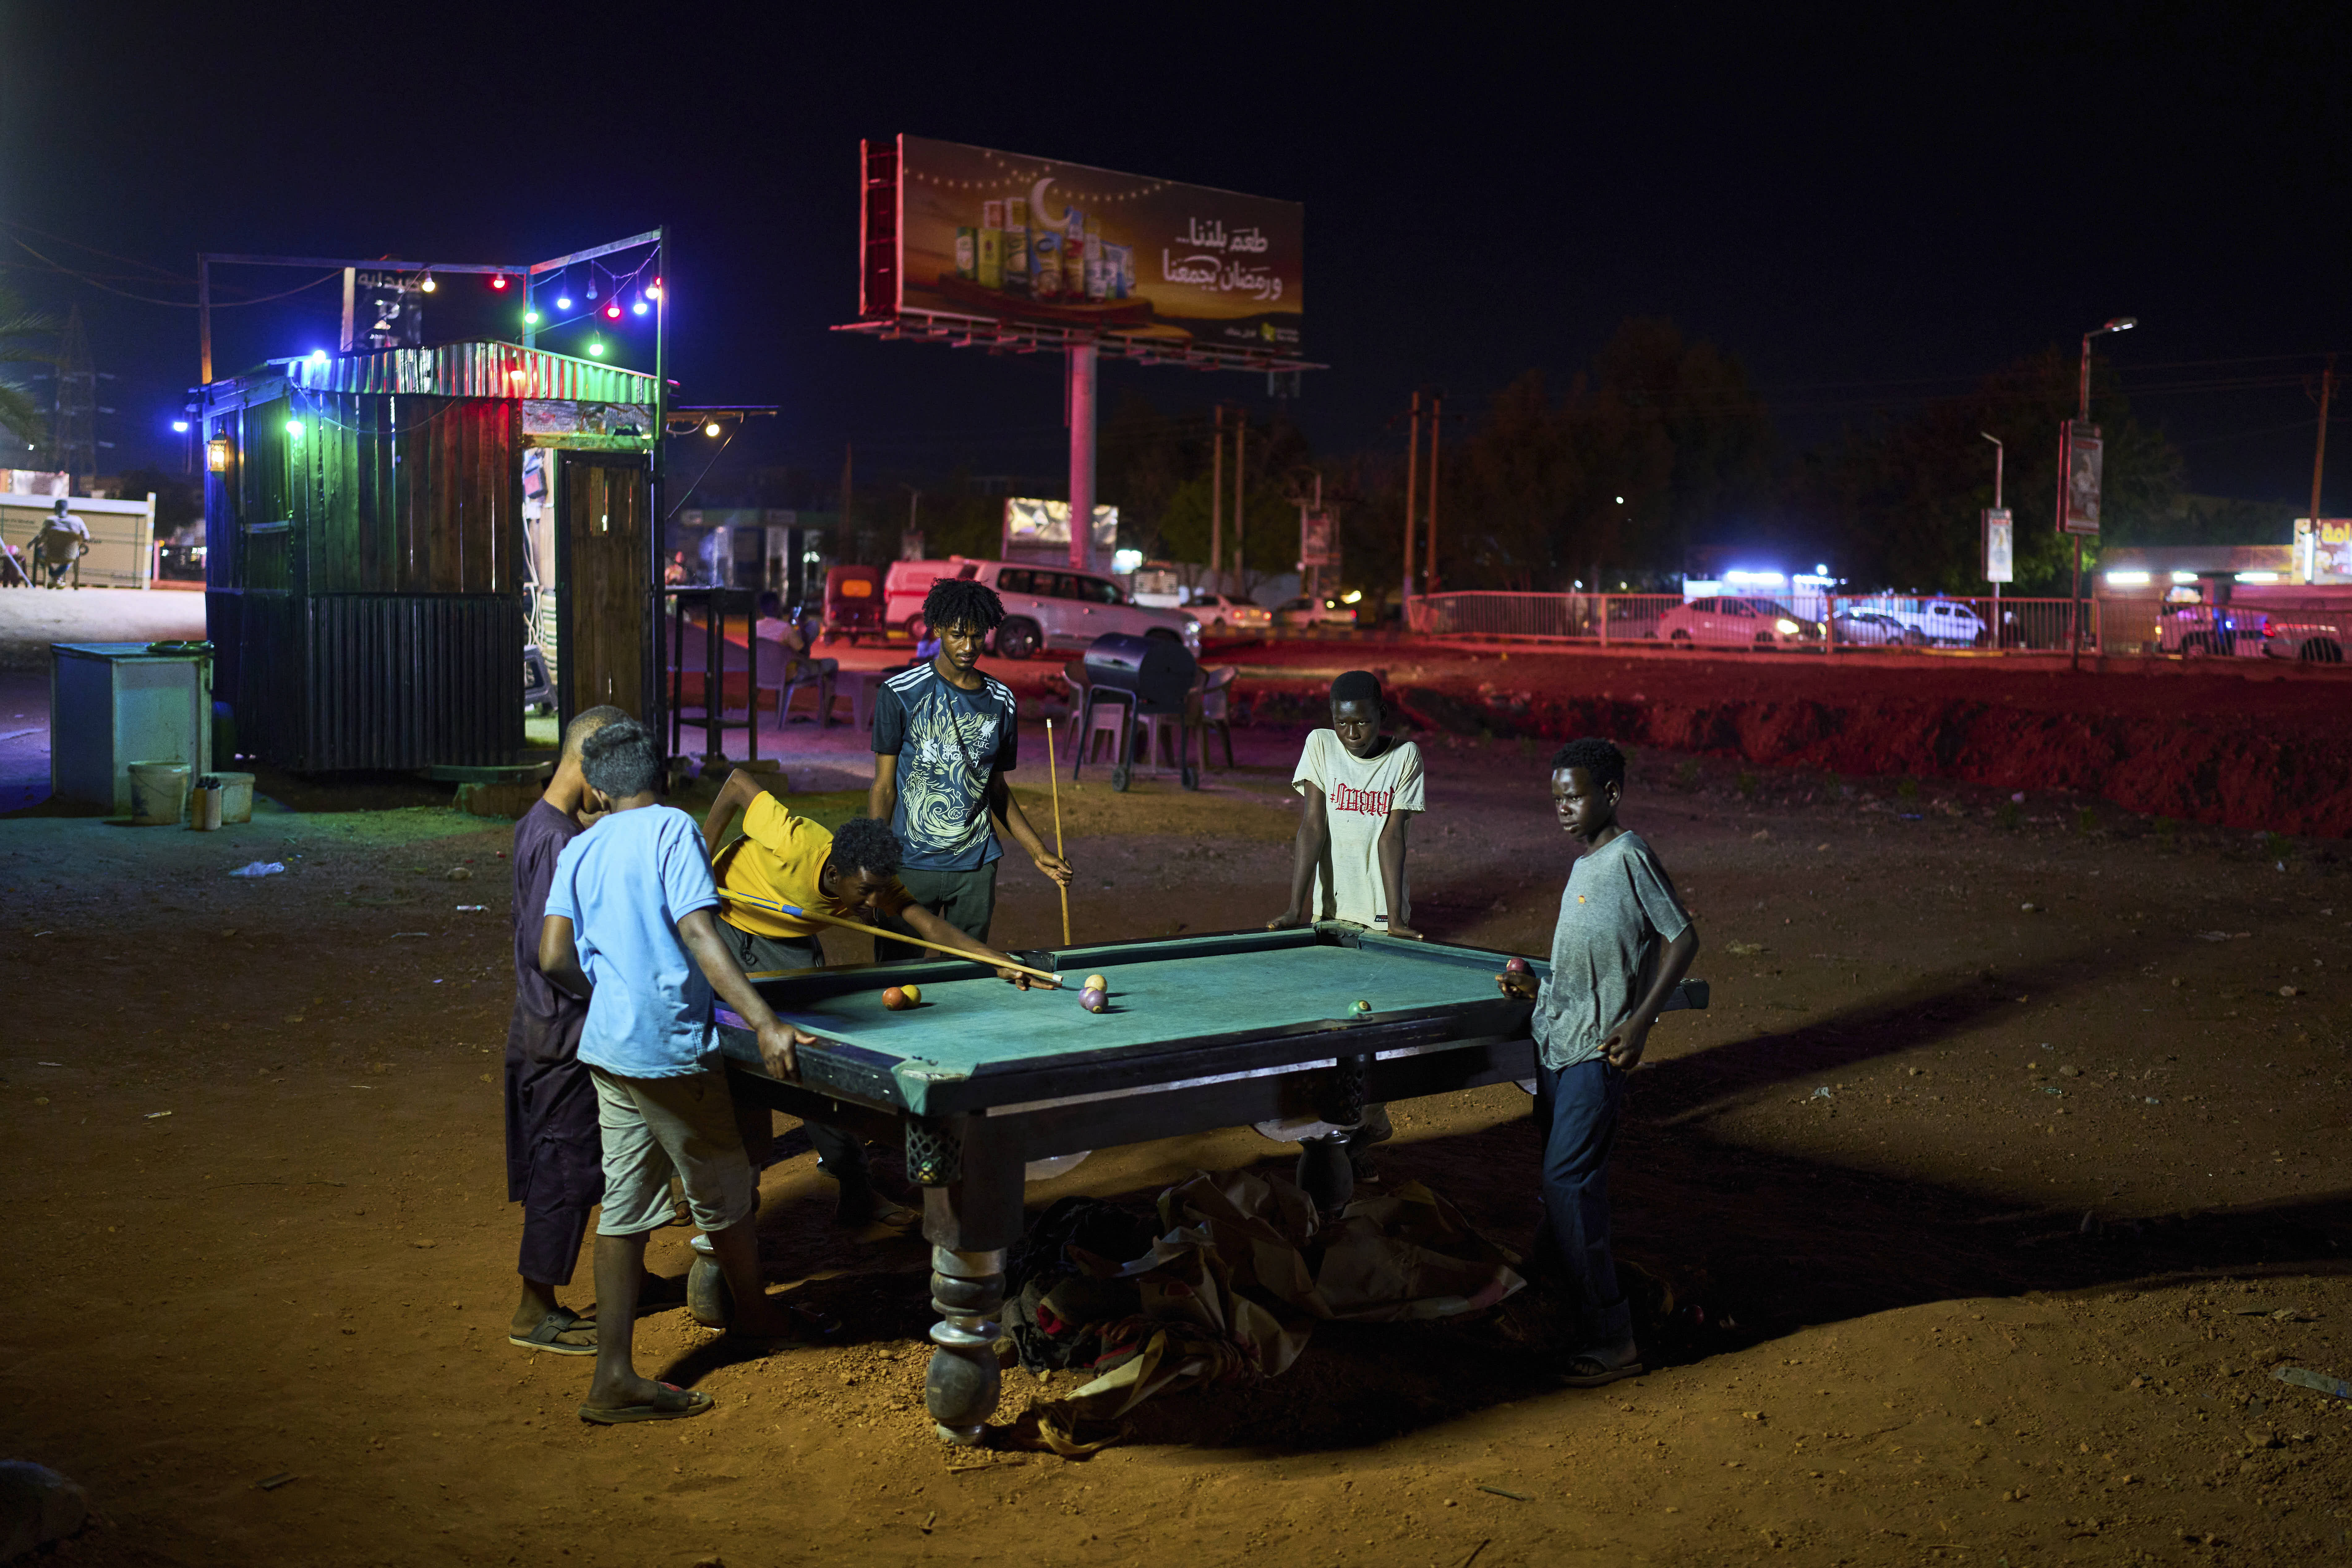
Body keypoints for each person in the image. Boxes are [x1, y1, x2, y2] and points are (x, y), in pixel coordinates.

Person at [538, 717, 822, 1424]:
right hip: (667, 1047)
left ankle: (612, 1375)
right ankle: (753, 1315)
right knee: (726, 1184)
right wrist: (763, 1019)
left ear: (598, 789)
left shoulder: (581, 845)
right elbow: (700, 931)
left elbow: (552, 957)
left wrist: (606, 995)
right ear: (659, 778)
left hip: (608, 1050)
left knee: (627, 1205)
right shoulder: (672, 829)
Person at [700, 767, 1044, 1222]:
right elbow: (737, 782)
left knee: (817, 1060)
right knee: (714, 1052)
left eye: (879, 891)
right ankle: (696, 1186)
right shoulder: (795, 839)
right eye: (864, 892)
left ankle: (855, 1188)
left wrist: (996, 959)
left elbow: (929, 924)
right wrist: (697, 863)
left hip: (790, 938)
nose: (872, 902)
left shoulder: (874, 879)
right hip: (725, 920)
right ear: (837, 872)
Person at [1496, 737, 1698, 1389]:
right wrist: (1537, 989)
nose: (1561, 807)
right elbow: (1586, 963)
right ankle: (1552, 1305)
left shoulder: (1628, 855)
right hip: (1557, 1039)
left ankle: (1614, 1339)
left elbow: (1682, 936)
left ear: (1609, 794)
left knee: (1565, 1185)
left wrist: (1640, 1024)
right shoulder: (1583, 865)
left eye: (1573, 795)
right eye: (1555, 797)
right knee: (1563, 1187)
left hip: (1596, 1051)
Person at [1267, 669, 1428, 1175]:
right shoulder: (1319, 746)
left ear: (1382, 715)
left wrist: (1395, 917)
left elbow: (1391, 836)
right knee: (1323, 1016)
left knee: (1367, 1022)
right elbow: (1312, 825)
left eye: (1361, 722)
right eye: (1342, 723)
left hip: (1379, 917)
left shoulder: (1405, 757)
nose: (1351, 733)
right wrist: (1298, 907)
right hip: (1329, 911)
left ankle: (1363, 1124)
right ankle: (1348, 1127)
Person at [504, 703, 628, 1355]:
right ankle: (533, 1309)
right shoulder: (557, 842)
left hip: (542, 1025)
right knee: (563, 1168)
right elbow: (551, 954)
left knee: (573, 1163)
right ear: (587, 762)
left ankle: (572, 1288)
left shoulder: (543, 824)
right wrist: (607, 994)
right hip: (562, 1028)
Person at [868, 577, 1071, 959]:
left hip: (975, 868)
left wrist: (1036, 850)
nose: (968, 647)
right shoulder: (898, 693)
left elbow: (997, 789)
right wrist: (875, 862)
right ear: (938, 629)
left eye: (977, 636)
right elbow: (883, 787)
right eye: (958, 635)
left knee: (963, 979)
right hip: (908, 866)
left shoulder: (1001, 700)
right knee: (894, 977)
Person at [755, 592, 837, 726]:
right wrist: (802, 627)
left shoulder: (755, 627)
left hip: (762, 674)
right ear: (776, 607)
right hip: (788, 675)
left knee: (800, 637)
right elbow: (804, 653)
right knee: (833, 664)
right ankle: (825, 717)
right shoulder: (786, 629)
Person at [34, 499, 89, 589]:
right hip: (69, 555)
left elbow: (41, 538)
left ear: (55, 509)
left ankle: (54, 577)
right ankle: (57, 578)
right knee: (75, 553)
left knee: (38, 552)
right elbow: (86, 537)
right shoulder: (77, 521)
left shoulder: (49, 521)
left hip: (50, 554)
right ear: (68, 509)